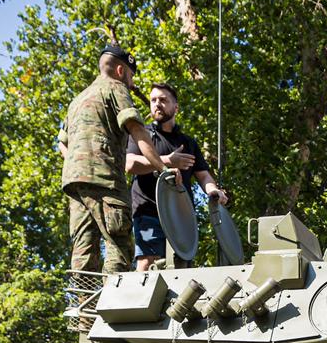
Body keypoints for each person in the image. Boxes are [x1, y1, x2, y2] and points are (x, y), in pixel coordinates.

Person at [60, 43, 167, 276]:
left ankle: (84, 311)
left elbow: (62, 143)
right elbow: (137, 130)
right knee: (119, 245)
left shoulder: (77, 100)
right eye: (130, 76)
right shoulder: (116, 88)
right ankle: (115, 308)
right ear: (120, 71)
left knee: (83, 250)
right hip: (106, 180)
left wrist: (78, 164)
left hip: (74, 182)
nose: (132, 82)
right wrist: (163, 168)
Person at [124, 83, 230, 271]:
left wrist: (213, 190)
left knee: (181, 268)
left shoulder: (187, 142)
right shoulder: (142, 135)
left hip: (180, 218)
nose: (157, 104)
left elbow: (204, 176)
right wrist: (167, 161)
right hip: (148, 212)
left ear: (176, 107)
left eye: (163, 100)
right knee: (148, 263)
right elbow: (130, 164)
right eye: (153, 100)